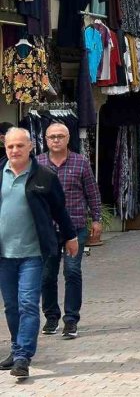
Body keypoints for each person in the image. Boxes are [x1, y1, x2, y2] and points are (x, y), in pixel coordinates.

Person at [0, 128, 78, 378]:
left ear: (30, 146)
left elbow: (59, 210)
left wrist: (70, 236)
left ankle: (23, 356)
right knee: (11, 306)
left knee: (28, 304)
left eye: (19, 146)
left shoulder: (44, 176)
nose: (14, 150)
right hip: (4, 254)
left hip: (33, 253)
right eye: (10, 146)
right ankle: (15, 348)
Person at [36, 122, 102, 340]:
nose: (56, 140)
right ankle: (51, 316)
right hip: (47, 228)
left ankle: (71, 319)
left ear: (68, 139)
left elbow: (92, 192)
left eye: (60, 136)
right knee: (47, 274)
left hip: (75, 226)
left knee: (72, 271)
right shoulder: (37, 164)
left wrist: (97, 219)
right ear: (45, 140)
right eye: (52, 137)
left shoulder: (81, 163)